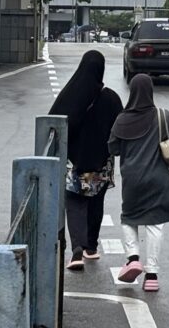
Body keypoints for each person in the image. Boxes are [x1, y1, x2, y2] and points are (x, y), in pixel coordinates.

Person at [108, 73, 169, 292]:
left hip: (132, 178)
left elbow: (112, 148)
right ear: (150, 91)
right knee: (155, 223)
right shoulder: (162, 115)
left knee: (129, 218)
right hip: (158, 178)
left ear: (132, 91)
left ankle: (133, 258)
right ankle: (152, 275)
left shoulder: (122, 119)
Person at [48, 49, 123, 271]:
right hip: (101, 163)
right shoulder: (110, 97)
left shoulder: (71, 94)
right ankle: (91, 247)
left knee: (75, 203)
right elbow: (121, 126)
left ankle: (77, 250)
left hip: (75, 163)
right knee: (96, 202)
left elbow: (53, 122)